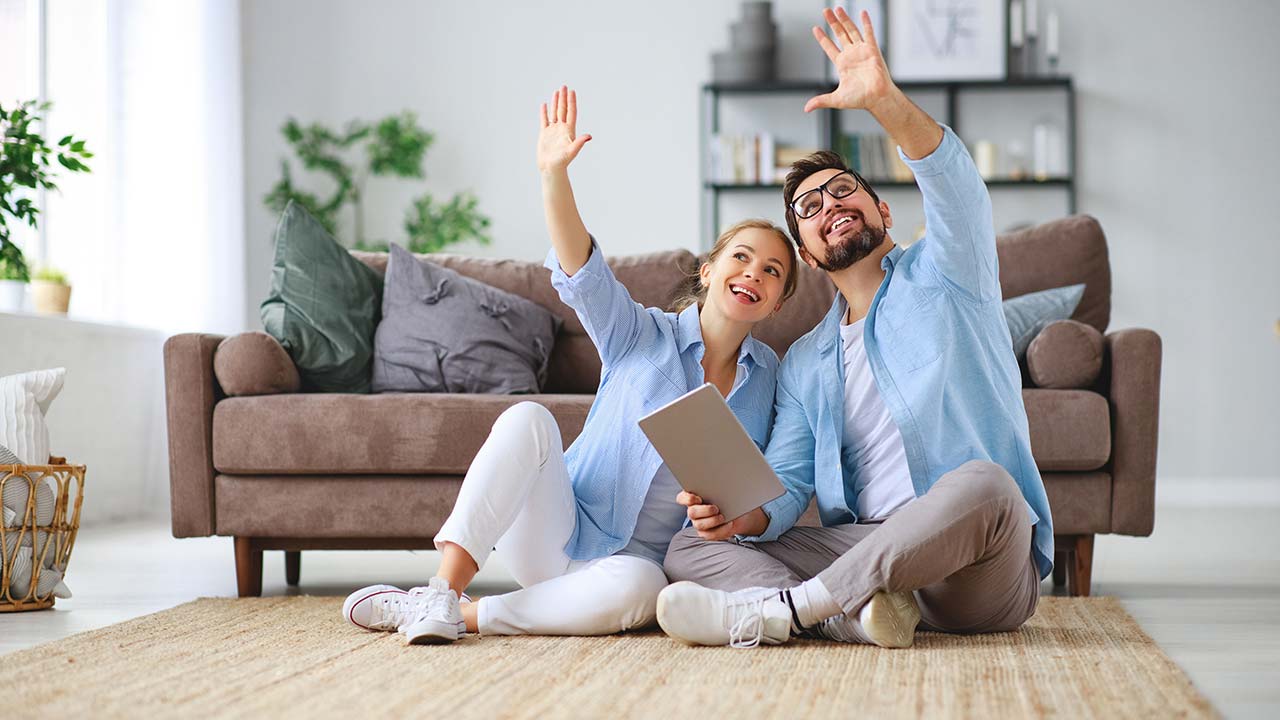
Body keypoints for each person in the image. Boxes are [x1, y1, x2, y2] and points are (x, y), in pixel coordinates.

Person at [341, 86, 798, 643]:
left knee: (645, 592)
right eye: (742, 258)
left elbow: (773, 485)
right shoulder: (640, 332)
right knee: (528, 418)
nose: (754, 273)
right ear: (708, 271)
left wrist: (734, 515)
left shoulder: (771, 376)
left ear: (778, 303)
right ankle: (441, 590)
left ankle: (460, 617)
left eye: (773, 272)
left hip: (634, 570)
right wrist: (554, 174)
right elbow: (583, 271)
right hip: (563, 529)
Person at [657, 8, 1054, 650]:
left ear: (882, 210)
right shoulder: (808, 361)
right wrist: (738, 519)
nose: (830, 205)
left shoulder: (951, 274)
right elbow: (786, 486)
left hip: (974, 563)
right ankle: (852, 614)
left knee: (989, 486)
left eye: (843, 190)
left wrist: (884, 101)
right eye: (808, 209)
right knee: (687, 550)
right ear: (808, 257)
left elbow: (957, 188)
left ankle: (794, 611)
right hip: (870, 551)